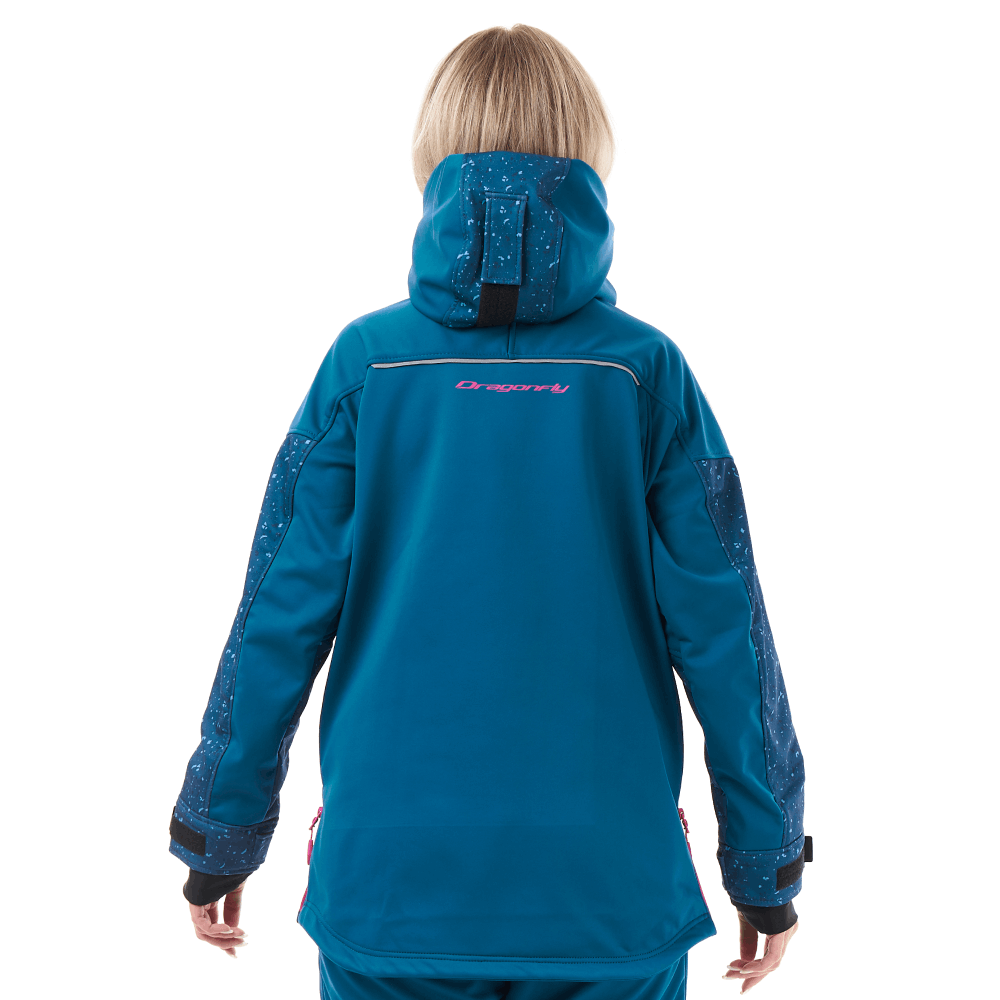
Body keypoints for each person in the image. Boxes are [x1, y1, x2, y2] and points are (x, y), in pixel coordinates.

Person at [170, 24, 808, 999]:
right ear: (589, 154)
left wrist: (221, 832)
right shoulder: (644, 374)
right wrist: (766, 865)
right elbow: (728, 635)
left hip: (391, 882)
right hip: (607, 889)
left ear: (431, 157)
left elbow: (278, 616)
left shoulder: (367, 365)